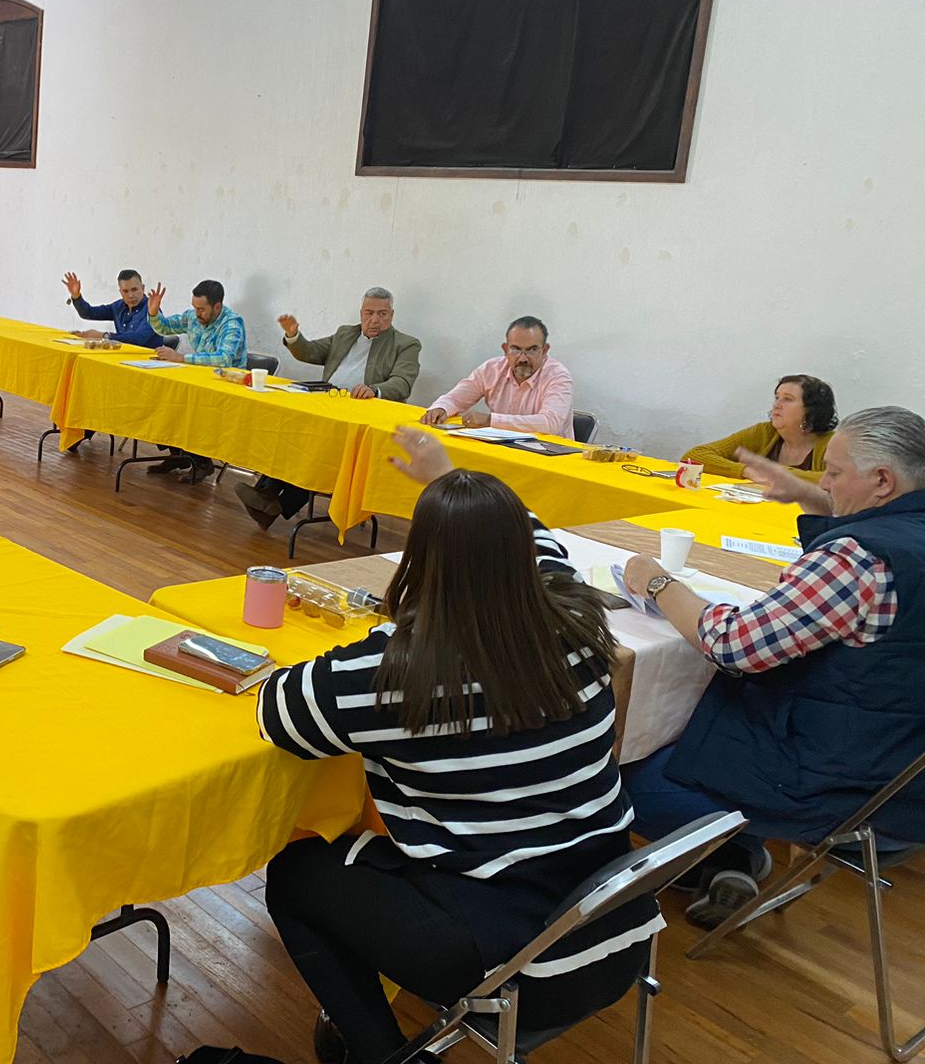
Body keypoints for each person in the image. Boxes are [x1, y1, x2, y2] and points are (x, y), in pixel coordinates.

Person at [260, 427, 658, 1064]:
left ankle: (380, 1054)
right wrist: (452, 480)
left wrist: (383, 637)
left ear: (419, 562)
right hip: (615, 929)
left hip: (518, 966)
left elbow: (278, 711)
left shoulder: (399, 673)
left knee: (296, 874)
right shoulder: (580, 621)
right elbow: (543, 545)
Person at [621, 405, 925, 927]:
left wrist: (657, 583)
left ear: (881, 480)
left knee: (621, 767)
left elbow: (732, 643)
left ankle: (732, 846)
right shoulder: (903, 540)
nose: (824, 483)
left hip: (839, 783)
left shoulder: (858, 559)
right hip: (901, 770)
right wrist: (810, 495)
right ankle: (735, 856)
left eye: (834, 474)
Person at [237, 287, 423, 529]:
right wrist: (293, 335)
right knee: (296, 431)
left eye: (382, 314)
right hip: (328, 404)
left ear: (392, 314)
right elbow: (311, 352)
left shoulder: (406, 344)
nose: (375, 319)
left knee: (320, 446)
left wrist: (375, 389)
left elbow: (403, 382)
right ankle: (267, 496)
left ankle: (274, 502)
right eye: (369, 313)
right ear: (361, 313)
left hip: (363, 417)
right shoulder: (346, 333)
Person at [144, 279, 248, 484]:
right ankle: (179, 455)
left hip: (226, 388)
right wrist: (154, 313)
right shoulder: (193, 316)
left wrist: (181, 358)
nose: (196, 313)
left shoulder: (232, 324)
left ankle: (202, 462)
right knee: (164, 399)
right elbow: (164, 327)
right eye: (194, 307)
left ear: (217, 307)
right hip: (199, 380)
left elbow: (224, 359)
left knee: (187, 408)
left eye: (201, 309)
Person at [420, 316, 574, 439]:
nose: (523, 358)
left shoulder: (558, 376)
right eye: (516, 349)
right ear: (505, 349)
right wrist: (441, 408)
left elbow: (549, 423)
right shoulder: (491, 369)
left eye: (532, 350)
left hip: (549, 457)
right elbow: (455, 399)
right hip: (502, 449)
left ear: (545, 350)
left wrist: (490, 421)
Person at [683, 374, 837, 480]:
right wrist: (745, 470)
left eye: (788, 399)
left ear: (811, 409)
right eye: (777, 397)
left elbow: (835, 481)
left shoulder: (834, 443)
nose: (777, 404)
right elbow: (695, 455)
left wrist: (771, 472)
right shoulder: (765, 432)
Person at [61, 269, 164, 348]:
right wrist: (76, 296)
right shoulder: (118, 306)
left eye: (134, 289)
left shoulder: (152, 311)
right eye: (125, 291)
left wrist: (104, 336)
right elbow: (88, 313)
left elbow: (138, 338)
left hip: (148, 361)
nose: (131, 295)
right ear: (120, 292)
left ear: (143, 288)